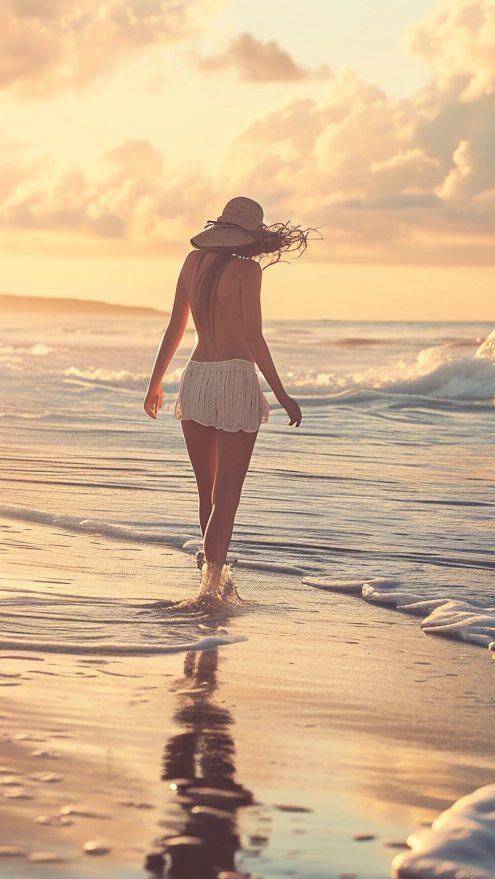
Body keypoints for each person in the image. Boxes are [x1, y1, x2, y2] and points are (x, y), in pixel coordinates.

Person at [140, 196, 310, 610]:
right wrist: (281, 393)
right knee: (226, 498)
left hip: (196, 378)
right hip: (234, 379)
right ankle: (210, 589)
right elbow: (254, 338)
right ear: (250, 237)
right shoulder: (248, 272)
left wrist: (155, 382)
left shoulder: (191, 263)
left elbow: (174, 328)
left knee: (207, 495)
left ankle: (213, 579)